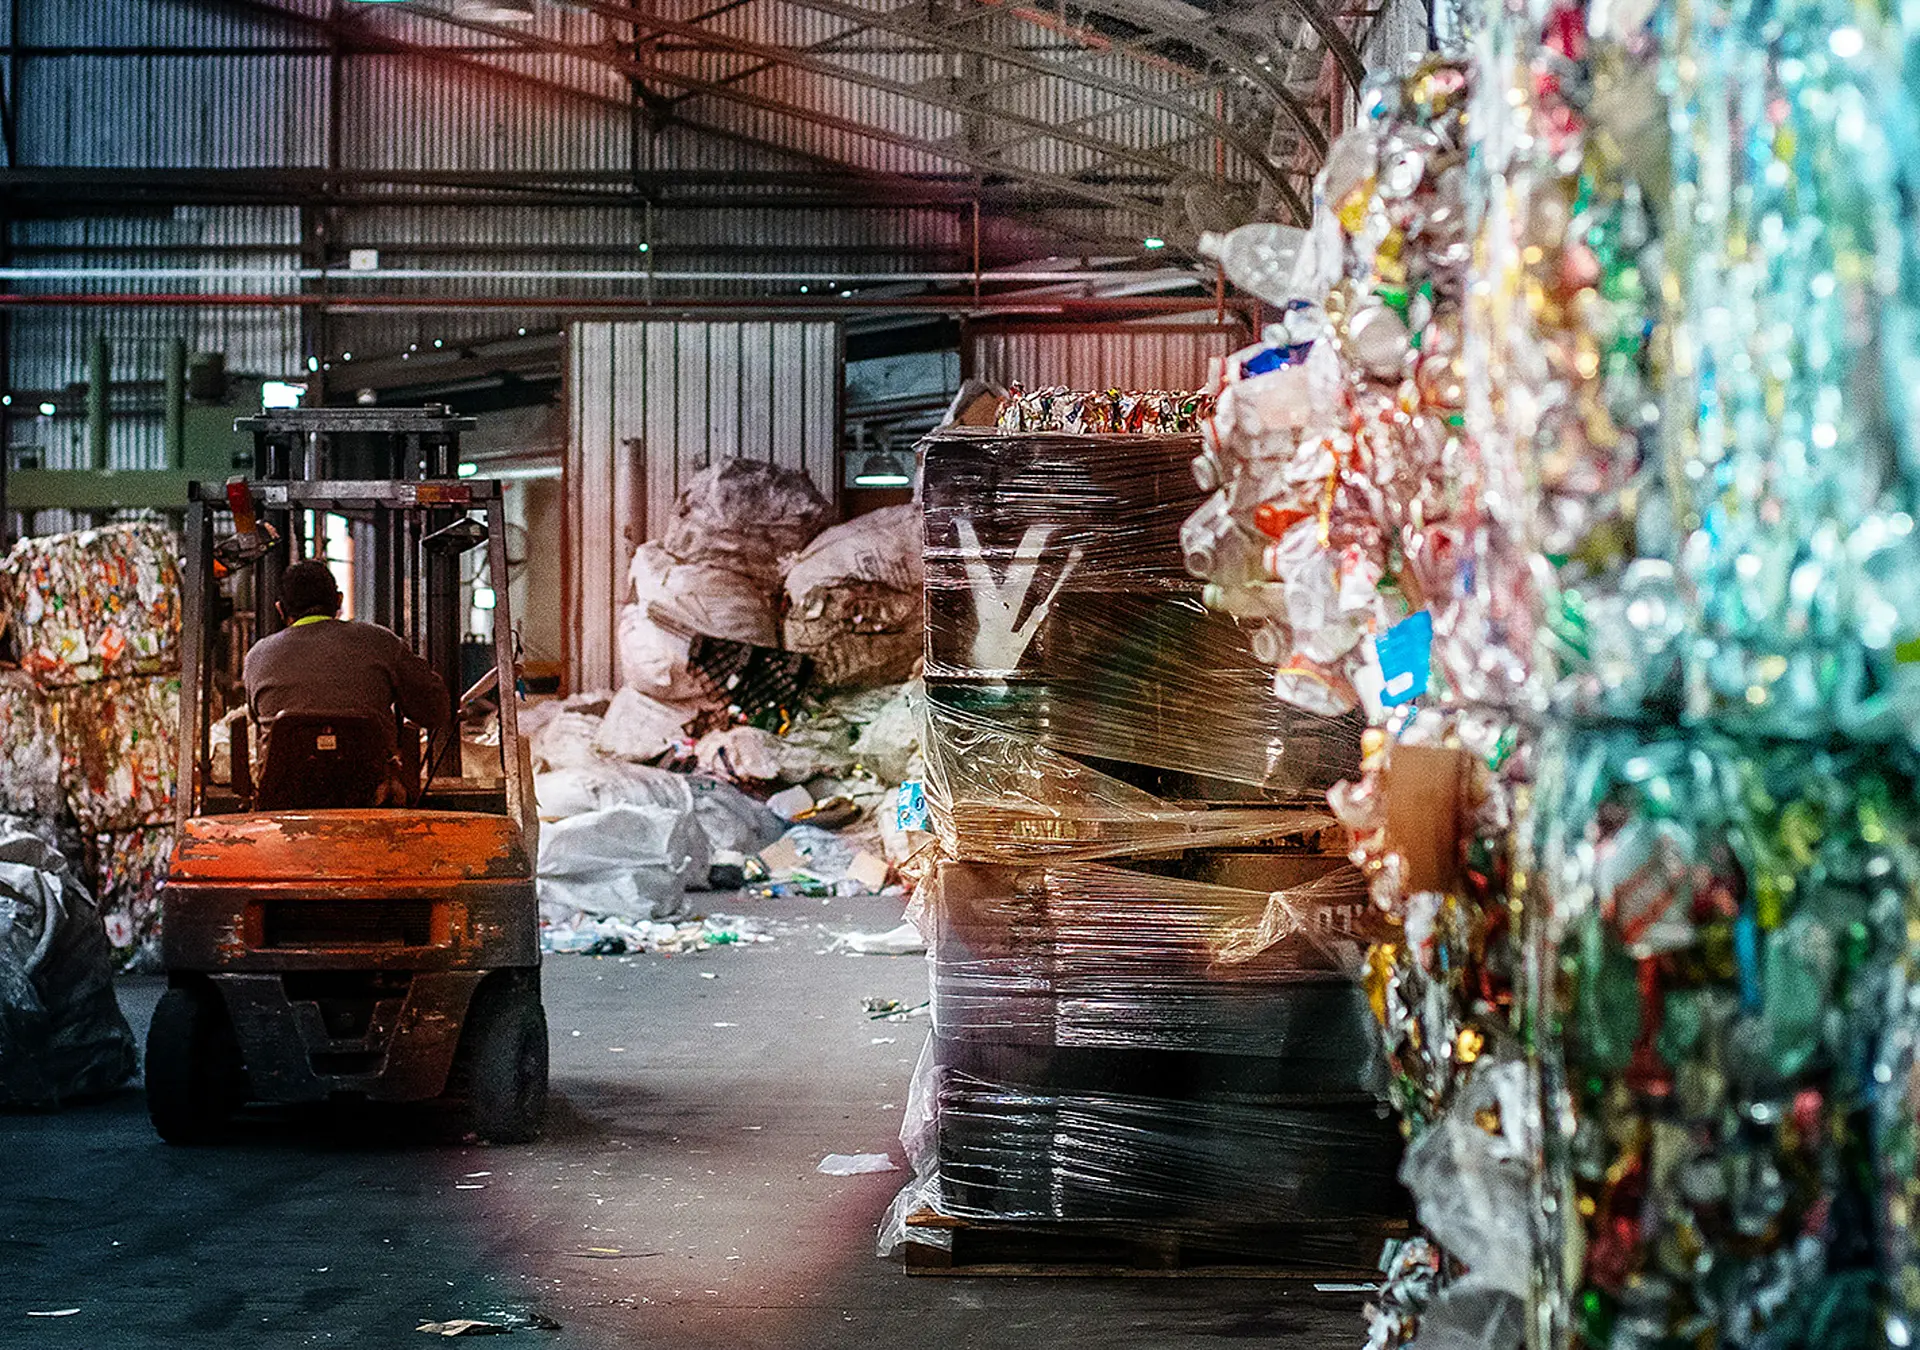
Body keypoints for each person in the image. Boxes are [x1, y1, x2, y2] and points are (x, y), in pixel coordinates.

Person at [243, 559, 450, 799]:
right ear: (338, 601)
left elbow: (257, 721)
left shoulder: (257, 656)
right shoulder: (381, 642)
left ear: (280, 610)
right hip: (372, 797)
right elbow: (436, 712)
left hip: (284, 798)